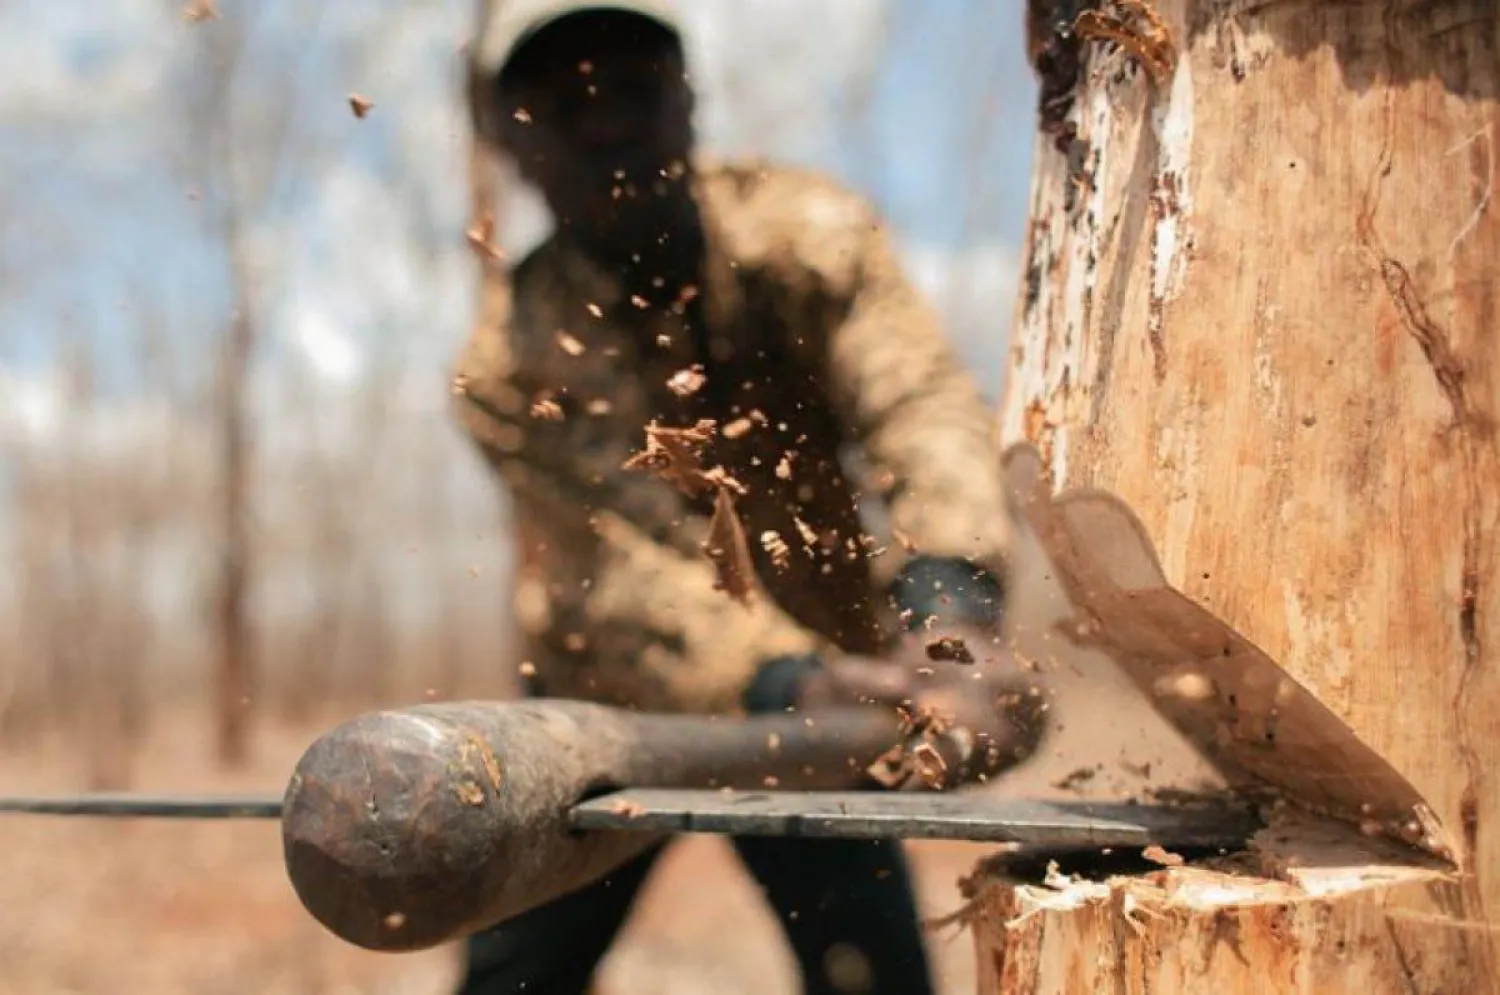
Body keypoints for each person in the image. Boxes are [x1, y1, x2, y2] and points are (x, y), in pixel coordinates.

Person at [451, 1, 1032, 991]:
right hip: (607, 709)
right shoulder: (508, 364)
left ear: (686, 101)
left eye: (631, 87)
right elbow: (625, 571)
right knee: (514, 978)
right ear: (512, 139)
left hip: (830, 702)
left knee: (872, 973)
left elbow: (920, 407)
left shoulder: (806, 236)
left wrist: (950, 611)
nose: (603, 124)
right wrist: (793, 681)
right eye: (561, 103)